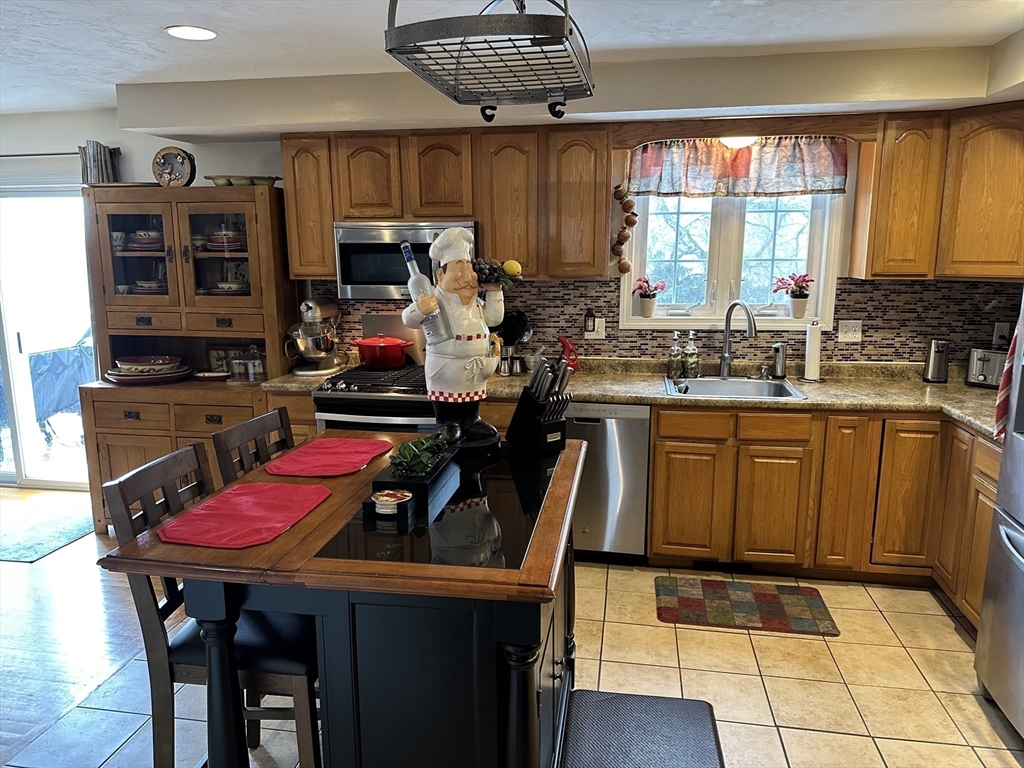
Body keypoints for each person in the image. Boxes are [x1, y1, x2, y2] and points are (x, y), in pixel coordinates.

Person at [401, 227, 503, 443]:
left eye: (469, 268)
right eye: (459, 268)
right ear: (440, 275)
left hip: (474, 367)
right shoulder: (433, 299)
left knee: (470, 396)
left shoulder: (475, 302)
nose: (467, 277)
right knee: (447, 400)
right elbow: (408, 320)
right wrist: (419, 309)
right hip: (445, 366)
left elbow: (494, 319)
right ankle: (447, 423)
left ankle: (471, 420)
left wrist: (495, 292)